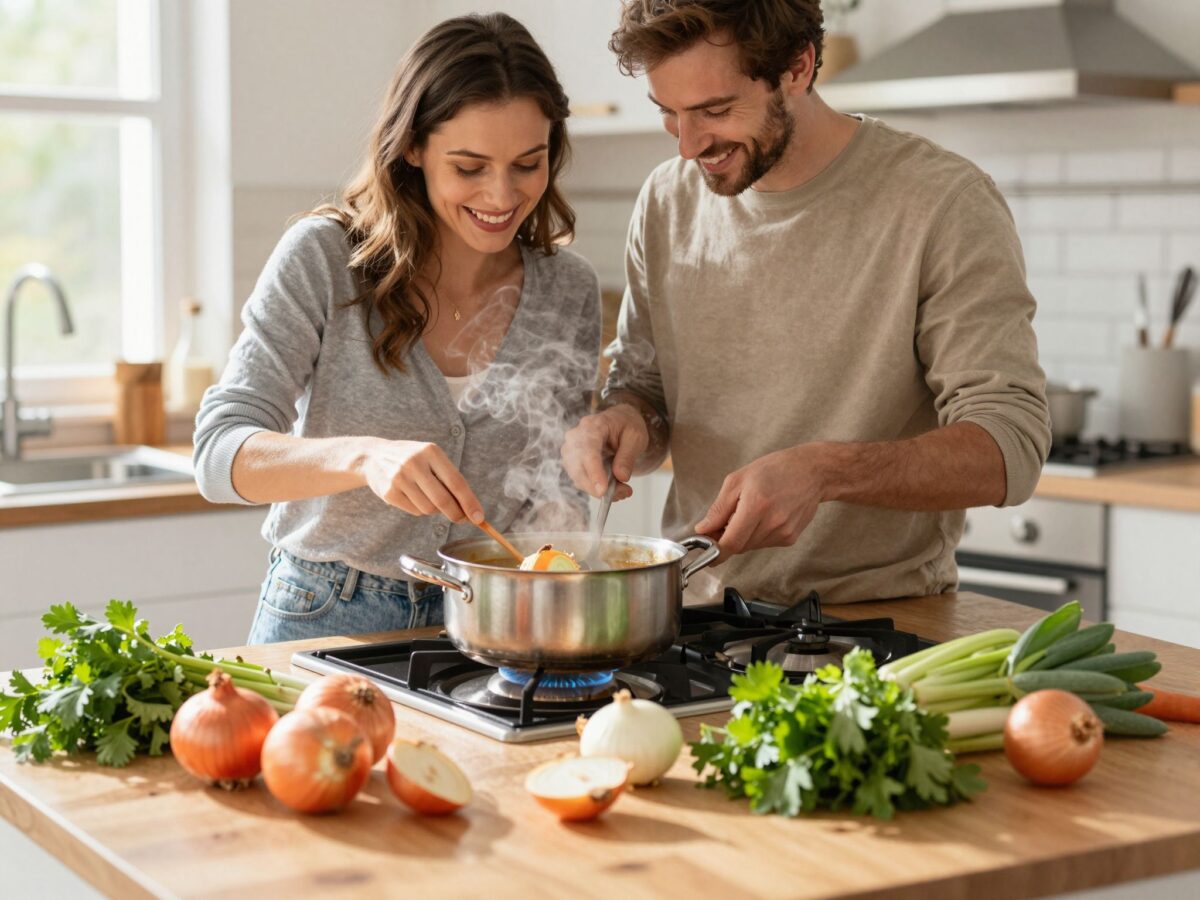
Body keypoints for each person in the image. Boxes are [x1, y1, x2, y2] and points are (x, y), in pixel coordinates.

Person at [562, 0, 1050, 606]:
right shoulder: (667, 200)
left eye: (715, 110)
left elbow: (1011, 446)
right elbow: (646, 388)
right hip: (693, 615)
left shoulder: (942, 202)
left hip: (877, 625)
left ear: (798, 67)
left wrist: (825, 472)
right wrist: (625, 420)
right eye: (669, 114)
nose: (688, 146)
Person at [194, 13, 601, 643]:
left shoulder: (566, 288)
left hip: (490, 622)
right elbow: (219, 454)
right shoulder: (327, 259)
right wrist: (364, 456)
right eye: (469, 167)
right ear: (413, 148)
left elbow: (558, 489)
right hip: (328, 612)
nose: (501, 195)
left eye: (528, 163)